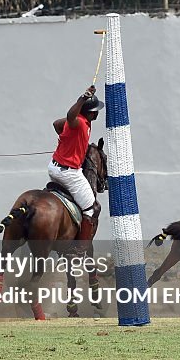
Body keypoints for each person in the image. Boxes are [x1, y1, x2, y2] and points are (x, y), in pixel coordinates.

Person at [50, 85, 104, 250]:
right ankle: (80, 249)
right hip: (69, 173)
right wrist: (83, 98)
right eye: (95, 110)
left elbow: (56, 124)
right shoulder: (79, 123)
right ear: (90, 112)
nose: (97, 113)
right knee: (92, 208)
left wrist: (69, 140)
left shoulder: (81, 122)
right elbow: (69, 116)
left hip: (54, 168)